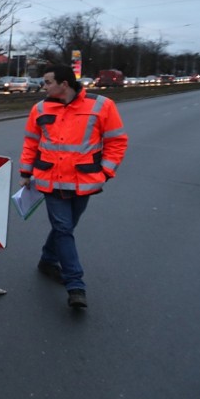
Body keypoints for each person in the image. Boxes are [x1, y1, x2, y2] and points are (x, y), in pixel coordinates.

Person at [19, 64, 128, 309]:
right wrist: (25, 172)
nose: (43, 86)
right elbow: (31, 143)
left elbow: (116, 141)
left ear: (64, 84)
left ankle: (47, 259)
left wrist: (106, 171)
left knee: (65, 228)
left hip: (83, 182)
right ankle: (75, 285)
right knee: (63, 228)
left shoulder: (101, 105)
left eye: (48, 82)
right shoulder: (40, 108)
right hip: (51, 180)